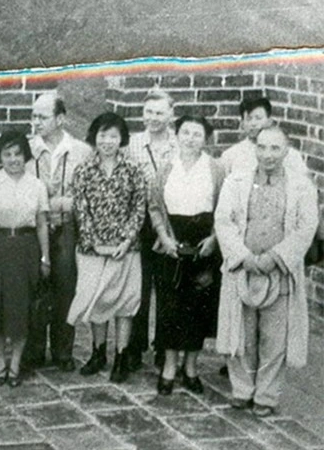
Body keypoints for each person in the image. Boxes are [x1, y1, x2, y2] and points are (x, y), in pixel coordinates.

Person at [215, 126, 318, 417]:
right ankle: (242, 390)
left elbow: (306, 227)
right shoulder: (236, 181)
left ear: (286, 151)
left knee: (274, 338)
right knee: (242, 334)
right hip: (243, 270)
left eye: (275, 148)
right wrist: (243, 256)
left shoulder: (301, 186)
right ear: (255, 149)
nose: (268, 155)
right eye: (262, 147)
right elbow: (223, 221)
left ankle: (266, 395)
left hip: (279, 273)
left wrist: (276, 257)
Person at [149, 116, 226, 395]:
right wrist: (164, 237)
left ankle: (191, 367)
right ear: (177, 135)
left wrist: (214, 238)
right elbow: (155, 206)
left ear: (206, 139)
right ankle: (169, 366)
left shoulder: (216, 169)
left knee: (198, 307)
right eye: (185, 132)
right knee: (170, 306)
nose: (190, 138)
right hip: (172, 242)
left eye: (197, 134)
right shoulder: (166, 166)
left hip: (204, 244)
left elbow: (225, 208)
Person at [68, 112, 147, 383]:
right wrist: (95, 243)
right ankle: (98, 352)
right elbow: (81, 210)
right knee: (97, 300)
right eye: (103, 135)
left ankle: (121, 356)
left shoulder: (133, 169)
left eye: (113, 136)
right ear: (94, 137)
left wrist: (125, 241)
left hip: (126, 249)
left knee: (125, 303)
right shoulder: (83, 170)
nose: (108, 141)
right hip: (93, 249)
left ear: (121, 138)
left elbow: (139, 208)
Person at [0, 131, 50, 387]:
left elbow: (41, 224)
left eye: (18, 153)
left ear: (25, 155)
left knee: (21, 308)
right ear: (0, 157)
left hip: (26, 249)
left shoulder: (36, 185)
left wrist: (45, 257)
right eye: (7, 154)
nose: (13, 159)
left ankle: (15, 364)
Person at [22, 92, 92, 373]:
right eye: (34, 116)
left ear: (60, 119)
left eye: (43, 116)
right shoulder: (27, 149)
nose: (36, 121)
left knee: (65, 288)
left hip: (66, 227)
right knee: (35, 287)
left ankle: (63, 350)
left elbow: (88, 192)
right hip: (34, 228)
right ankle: (34, 350)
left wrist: (67, 203)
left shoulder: (81, 151)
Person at [123, 89, 179, 372]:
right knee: (139, 286)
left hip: (170, 222)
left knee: (167, 287)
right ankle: (135, 346)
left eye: (159, 112)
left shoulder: (179, 145)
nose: (153, 118)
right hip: (140, 220)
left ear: (171, 115)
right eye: (148, 112)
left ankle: (164, 346)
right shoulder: (132, 144)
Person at [219, 97, 307, 175]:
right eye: (249, 119)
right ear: (242, 123)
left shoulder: (289, 154)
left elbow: (304, 184)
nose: (253, 124)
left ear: (269, 121)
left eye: (258, 118)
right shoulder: (231, 155)